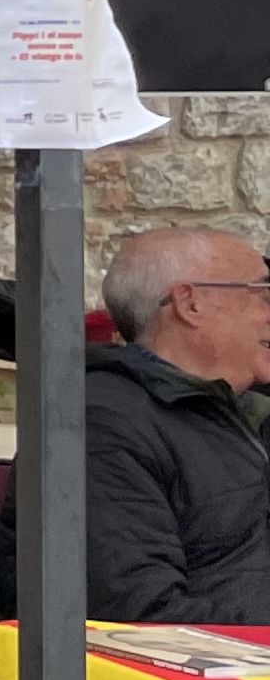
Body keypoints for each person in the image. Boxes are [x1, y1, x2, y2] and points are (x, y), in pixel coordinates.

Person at [23, 226, 270, 624]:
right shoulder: (99, 427)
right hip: (191, 676)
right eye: (262, 293)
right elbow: (138, 613)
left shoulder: (248, 412)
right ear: (190, 304)